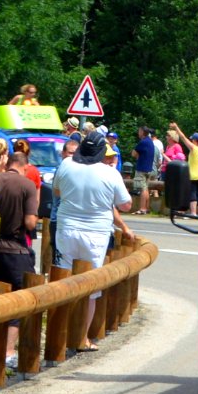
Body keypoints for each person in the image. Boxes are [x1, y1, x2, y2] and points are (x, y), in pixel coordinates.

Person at [53, 131, 132, 352]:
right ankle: (81, 338)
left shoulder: (67, 164)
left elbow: (57, 191)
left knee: (63, 280)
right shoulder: (110, 173)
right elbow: (126, 205)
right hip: (96, 233)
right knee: (91, 287)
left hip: (66, 230)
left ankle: (59, 337)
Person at [0, 152, 38, 368]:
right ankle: (7, 352)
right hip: (15, 252)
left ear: (7, 163)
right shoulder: (27, 185)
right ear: (25, 166)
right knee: (20, 301)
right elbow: (30, 223)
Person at [48, 139, 79, 269]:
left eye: (75, 153)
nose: (72, 156)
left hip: (73, 222)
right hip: (58, 220)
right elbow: (58, 194)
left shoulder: (77, 171)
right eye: (70, 153)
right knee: (60, 261)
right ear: (63, 153)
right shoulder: (62, 170)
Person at [171, 122, 198, 216]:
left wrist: (176, 127)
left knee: (193, 193)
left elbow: (183, 137)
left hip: (193, 175)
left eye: (192, 140)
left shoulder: (193, 148)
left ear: (195, 141)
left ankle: (193, 212)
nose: (191, 141)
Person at [131, 126, 155, 215]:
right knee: (146, 188)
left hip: (142, 168)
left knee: (143, 189)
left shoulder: (143, 142)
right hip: (149, 168)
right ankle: (146, 208)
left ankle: (142, 209)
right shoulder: (150, 141)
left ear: (142, 132)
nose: (138, 133)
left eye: (139, 131)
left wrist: (137, 156)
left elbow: (133, 153)